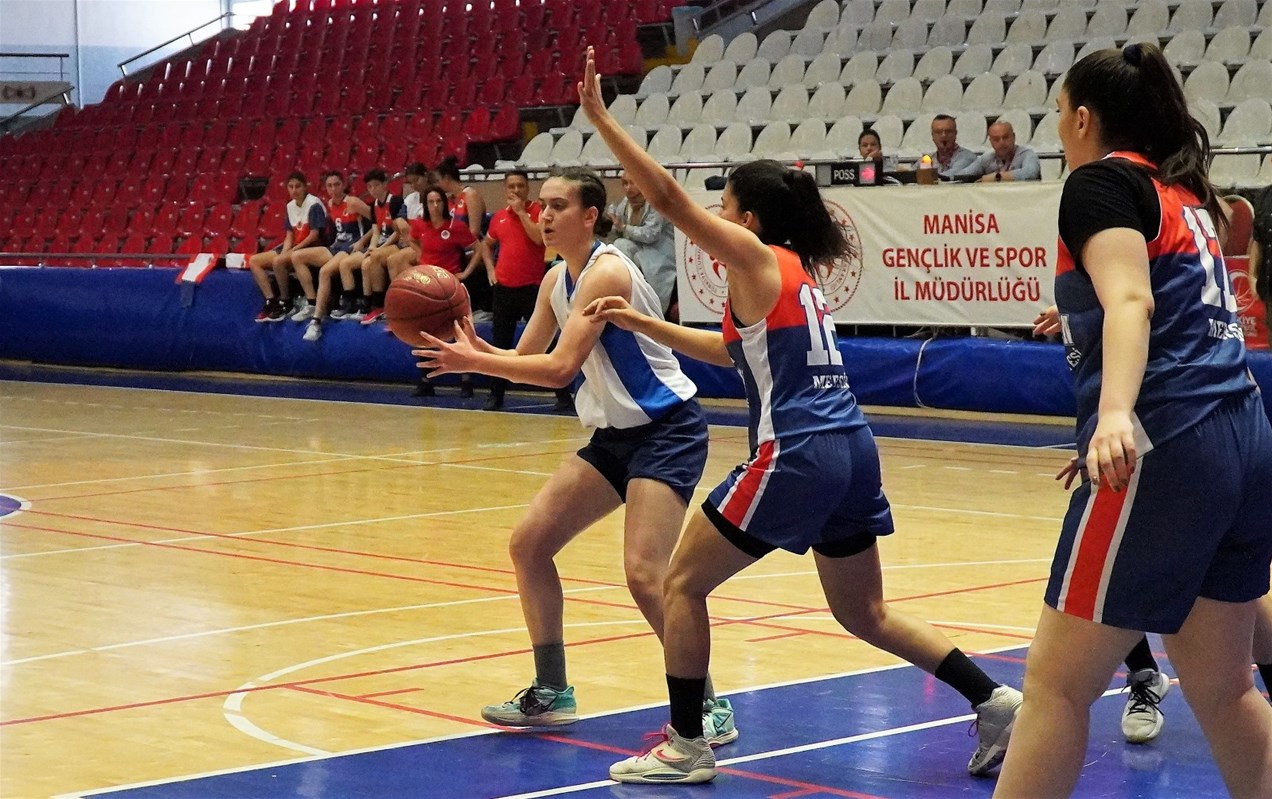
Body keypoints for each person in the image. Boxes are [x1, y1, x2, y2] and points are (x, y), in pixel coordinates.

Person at [574, 46, 1021, 785]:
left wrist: (601, 118)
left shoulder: (754, 257)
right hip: (851, 446)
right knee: (864, 611)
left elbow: (669, 200)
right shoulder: (791, 276)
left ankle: (686, 744)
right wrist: (644, 323)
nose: (717, 217)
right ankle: (994, 698)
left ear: (748, 219)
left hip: (798, 450)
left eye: (725, 207)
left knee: (680, 584)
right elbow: (732, 355)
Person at [993, 42, 1272, 799]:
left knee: (1055, 686)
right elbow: (1163, 307)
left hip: (1167, 437)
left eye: (1059, 113)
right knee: (1225, 687)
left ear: (1084, 118)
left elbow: (1132, 301)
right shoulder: (1184, 196)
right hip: (1241, 432)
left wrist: (1115, 415)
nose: (1059, 128)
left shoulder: (1100, 182)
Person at [413, 165, 736, 749]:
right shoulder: (554, 280)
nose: (544, 215)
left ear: (591, 216)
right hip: (614, 436)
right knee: (529, 544)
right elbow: (527, 358)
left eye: (558, 205)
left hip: (667, 430)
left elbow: (560, 369)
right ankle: (552, 690)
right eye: (542, 205)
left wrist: (475, 363)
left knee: (645, 575)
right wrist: (472, 344)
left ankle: (709, 705)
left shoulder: (606, 271)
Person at [479, 170, 573, 411]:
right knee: (500, 343)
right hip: (504, 289)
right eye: (511, 186)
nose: (516, 190)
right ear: (505, 188)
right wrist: (490, 269)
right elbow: (486, 245)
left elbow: (538, 240)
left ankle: (563, 396)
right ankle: (496, 395)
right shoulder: (499, 217)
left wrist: (521, 213)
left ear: (527, 188)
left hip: (532, 288)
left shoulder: (538, 212)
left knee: (546, 343)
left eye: (520, 185)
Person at [408, 185, 481, 398]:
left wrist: (466, 272)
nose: (435, 205)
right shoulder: (420, 224)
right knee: (424, 334)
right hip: (427, 285)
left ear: (444, 203)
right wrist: (420, 254)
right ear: (425, 204)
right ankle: (426, 381)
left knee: (461, 332)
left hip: (450, 285)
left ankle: (466, 381)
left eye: (438, 201)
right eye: (431, 202)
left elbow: (478, 247)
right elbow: (411, 238)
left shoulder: (455, 226)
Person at [299, 171, 371, 341]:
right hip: (336, 246)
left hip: (351, 247)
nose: (333, 189)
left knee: (325, 271)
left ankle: (316, 321)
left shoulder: (353, 202)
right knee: (297, 257)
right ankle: (310, 303)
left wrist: (362, 241)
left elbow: (377, 222)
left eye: (336, 184)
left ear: (343, 185)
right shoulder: (330, 204)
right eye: (329, 186)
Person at [249, 171, 326, 322]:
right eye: (291, 187)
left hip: (312, 246)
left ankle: (286, 301)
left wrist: (291, 252)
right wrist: (285, 252)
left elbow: (314, 235)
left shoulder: (314, 204)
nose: (294, 190)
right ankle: (271, 301)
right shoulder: (290, 206)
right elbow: (290, 236)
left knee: (278, 261)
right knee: (254, 261)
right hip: (295, 246)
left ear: (305, 187)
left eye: (298, 186)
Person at [608, 170, 676, 317]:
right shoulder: (625, 203)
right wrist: (612, 223)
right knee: (619, 245)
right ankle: (624, 291)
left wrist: (623, 228)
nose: (628, 188)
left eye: (632, 183)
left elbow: (651, 234)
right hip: (640, 248)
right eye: (625, 183)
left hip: (660, 251)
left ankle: (653, 311)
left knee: (629, 251)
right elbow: (617, 229)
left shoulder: (657, 202)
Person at [436, 155, 492, 318]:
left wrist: (451, 245)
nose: (437, 185)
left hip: (473, 247)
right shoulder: (449, 200)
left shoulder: (470, 195)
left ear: (446, 178)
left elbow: (474, 231)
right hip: (456, 246)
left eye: (438, 180)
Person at [348, 168, 405, 326]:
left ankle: (388, 306)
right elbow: (376, 232)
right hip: (382, 244)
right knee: (365, 263)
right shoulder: (373, 205)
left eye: (376, 185)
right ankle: (370, 306)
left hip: (396, 243)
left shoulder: (395, 201)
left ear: (385, 184)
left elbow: (398, 232)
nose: (373, 189)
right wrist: (371, 248)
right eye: (369, 187)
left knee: (374, 258)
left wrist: (380, 249)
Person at [953, 120, 1041, 183]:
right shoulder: (987, 158)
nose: (1002, 142)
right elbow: (962, 175)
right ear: (990, 141)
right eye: (996, 139)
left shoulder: (1027, 154)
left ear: (1014, 137)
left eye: (1005, 137)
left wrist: (997, 177)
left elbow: (1031, 173)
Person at [928, 113, 979, 180]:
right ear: (932, 135)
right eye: (938, 132)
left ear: (955, 134)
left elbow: (946, 177)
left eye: (948, 131)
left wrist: (922, 176)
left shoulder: (967, 157)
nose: (943, 135)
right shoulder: (927, 159)